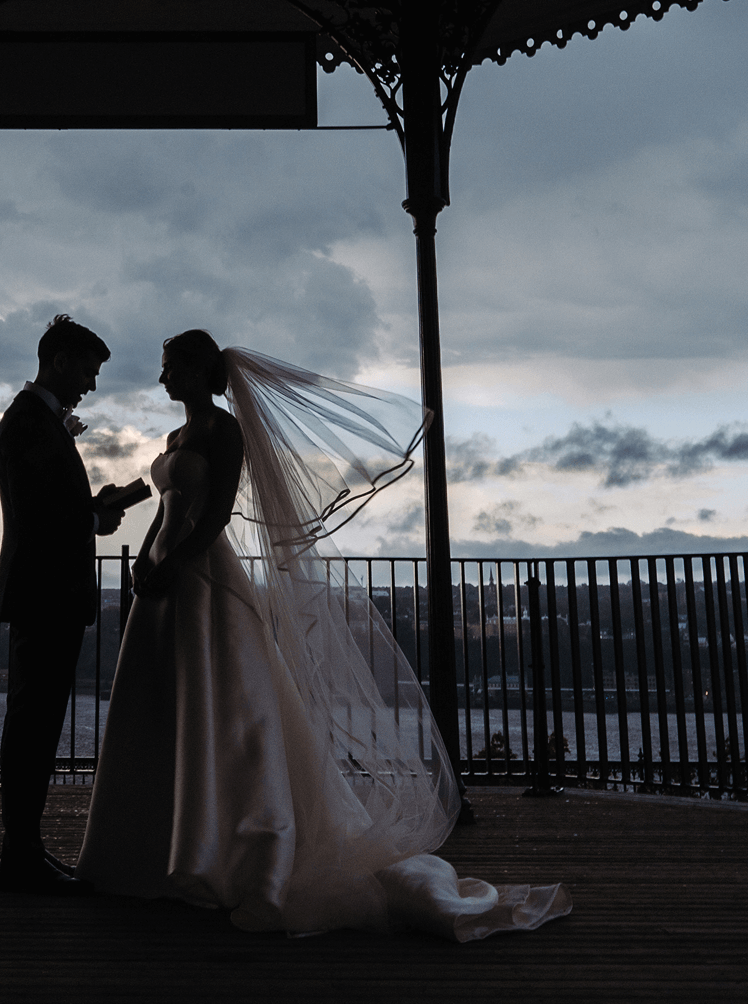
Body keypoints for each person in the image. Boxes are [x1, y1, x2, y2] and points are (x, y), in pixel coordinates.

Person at [77, 329, 570, 940]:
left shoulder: (222, 432)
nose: (162, 379)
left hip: (199, 572)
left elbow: (219, 513)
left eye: (171, 367)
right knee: (160, 705)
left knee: (218, 702)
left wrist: (176, 562)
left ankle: (214, 847)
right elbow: (169, 504)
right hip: (162, 572)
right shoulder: (177, 437)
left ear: (200, 370)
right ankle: (152, 847)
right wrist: (145, 560)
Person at [0, 314, 126, 895]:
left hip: (46, 593)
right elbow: (42, 516)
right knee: (34, 726)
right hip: (47, 595)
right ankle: (20, 853)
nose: (91, 386)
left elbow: (46, 506)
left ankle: (24, 848)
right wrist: (95, 516)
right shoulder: (29, 422)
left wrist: (89, 510)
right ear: (63, 360)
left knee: (36, 724)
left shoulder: (36, 422)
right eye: (89, 371)